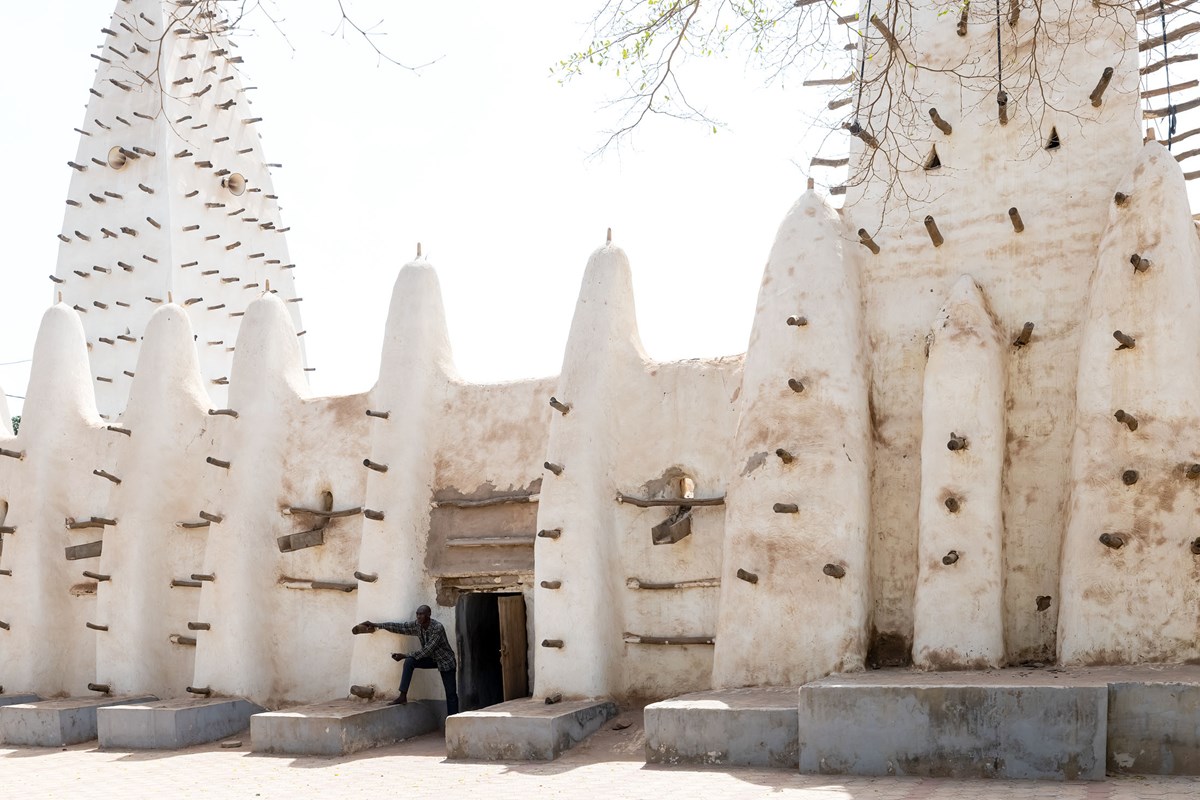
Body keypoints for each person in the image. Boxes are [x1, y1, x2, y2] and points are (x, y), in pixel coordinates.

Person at [353, 605, 459, 715]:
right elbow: (400, 627)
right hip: (432, 658)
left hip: (445, 661)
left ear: (429, 614)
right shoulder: (417, 625)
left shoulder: (437, 627)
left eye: (421, 614)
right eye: (417, 614)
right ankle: (402, 696)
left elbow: (426, 651)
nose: (418, 616)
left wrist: (404, 655)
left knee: (450, 694)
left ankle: (453, 723)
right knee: (410, 662)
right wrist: (377, 625)